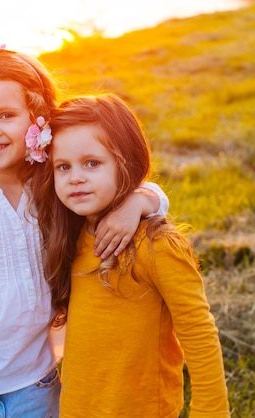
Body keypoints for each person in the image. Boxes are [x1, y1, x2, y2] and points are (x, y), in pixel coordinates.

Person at [0, 40, 168, 418]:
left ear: (37, 119)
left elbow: (140, 191)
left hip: (35, 385)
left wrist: (138, 202)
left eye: (6, 115)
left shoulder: (55, 188)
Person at [31, 94, 230, 417]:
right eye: (63, 167)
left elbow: (198, 332)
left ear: (127, 163)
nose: (76, 177)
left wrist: (211, 411)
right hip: (77, 407)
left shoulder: (156, 245)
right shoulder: (69, 236)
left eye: (92, 163)